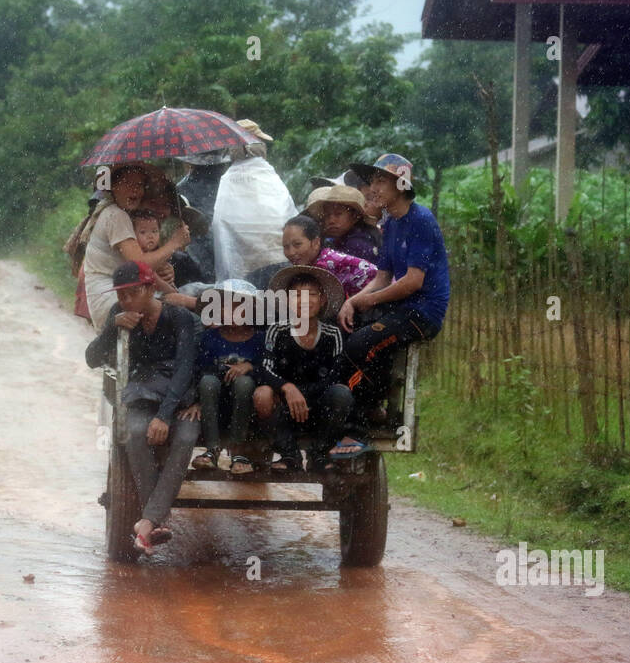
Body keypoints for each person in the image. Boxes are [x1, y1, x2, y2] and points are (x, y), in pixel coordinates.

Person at [332, 153, 450, 460]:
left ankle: (355, 430)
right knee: (347, 331)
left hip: (421, 313)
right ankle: (372, 408)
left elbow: (412, 282)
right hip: (400, 309)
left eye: (381, 180)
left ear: (401, 184)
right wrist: (353, 301)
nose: (373, 188)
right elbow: (383, 277)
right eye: (371, 181)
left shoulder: (421, 221)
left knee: (359, 345)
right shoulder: (391, 224)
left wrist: (370, 300)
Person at [85, 260, 201, 555]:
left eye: (132, 293)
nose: (126, 301)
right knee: (134, 432)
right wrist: (113, 327)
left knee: (186, 436)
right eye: (121, 296)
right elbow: (92, 358)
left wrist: (164, 415)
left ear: (150, 289)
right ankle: (153, 520)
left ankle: (146, 522)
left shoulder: (179, 318)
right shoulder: (119, 315)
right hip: (140, 393)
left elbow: (185, 368)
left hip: (178, 398)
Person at [253, 267, 353, 472]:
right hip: (285, 406)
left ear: (323, 299)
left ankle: (319, 455)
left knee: (342, 393)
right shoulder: (277, 330)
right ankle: (290, 455)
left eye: (311, 295)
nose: (304, 301)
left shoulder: (332, 334)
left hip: (318, 407)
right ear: (288, 301)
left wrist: (305, 395)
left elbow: (335, 374)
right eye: (297, 295)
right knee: (262, 395)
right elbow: (265, 368)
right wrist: (287, 388)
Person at [82, 164, 190, 330]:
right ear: (113, 187)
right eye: (128, 184)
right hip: (112, 299)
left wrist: (164, 270)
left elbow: (142, 268)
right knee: (183, 312)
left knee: (178, 301)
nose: (135, 190)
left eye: (139, 185)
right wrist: (174, 243)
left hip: (123, 293)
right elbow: (140, 265)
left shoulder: (121, 214)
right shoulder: (116, 215)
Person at [192, 279, 265, 475]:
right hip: (214, 405)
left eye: (240, 307)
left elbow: (267, 370)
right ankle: (212, 450)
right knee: (207, 382)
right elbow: (200, 370)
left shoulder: (259, 339)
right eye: (227, 307)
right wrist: (196, 400)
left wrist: (249, 366)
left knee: (244, 382)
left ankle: (238, 451)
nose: (233, 312)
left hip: (246, 408)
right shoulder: (210, 338)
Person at [210, 120, 298, 282]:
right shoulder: (268, 176)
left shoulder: (229, 180)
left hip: (245, 269)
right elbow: (289, 215)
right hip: (280, 262)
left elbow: (220, 224)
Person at [281, 213, 376, 297]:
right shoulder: (313, 262)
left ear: (316, 243)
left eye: (297, 244)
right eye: (286, 247)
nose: (291, 252)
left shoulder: (324, 266)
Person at [176, 148, 230, 283]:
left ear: (191, 163)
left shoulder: (182, 188)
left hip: (199, 260)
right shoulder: (232, 183)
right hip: (231, 253)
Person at [303, 184, 381, 263]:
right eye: (327, 215)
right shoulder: (341, 241)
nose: (331, 220)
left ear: (355, 216)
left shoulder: (356, 245)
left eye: (338, 214)